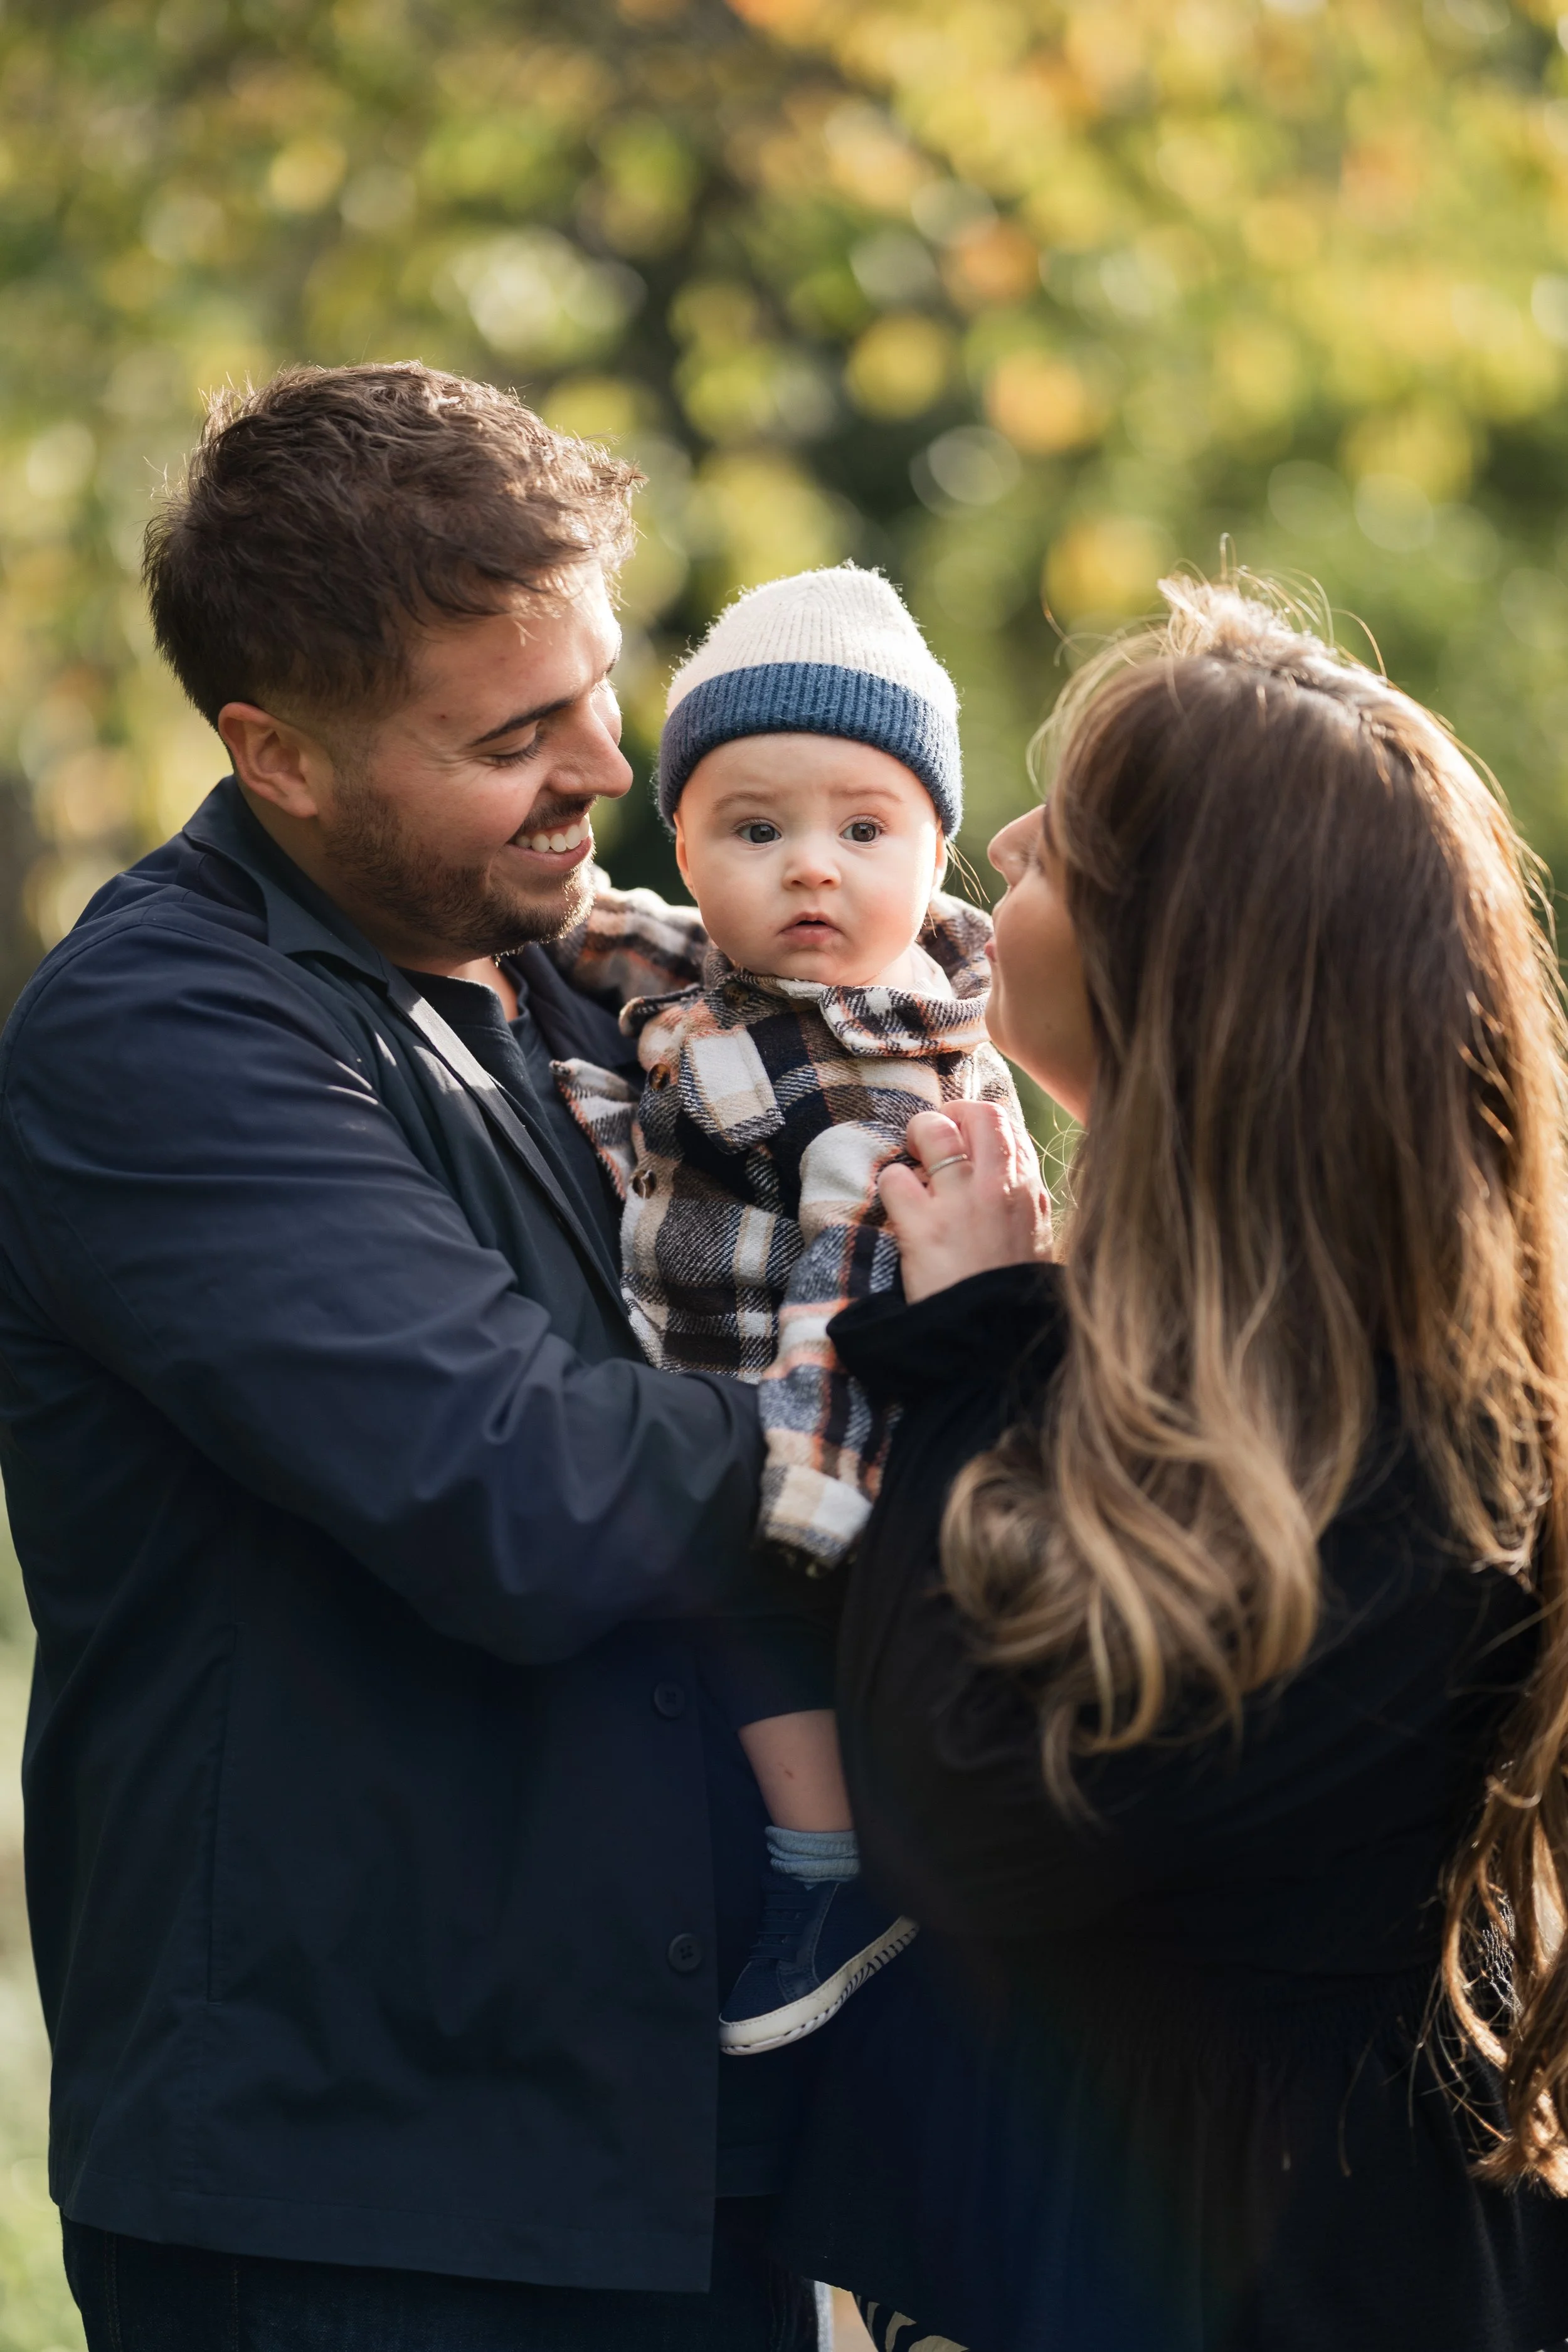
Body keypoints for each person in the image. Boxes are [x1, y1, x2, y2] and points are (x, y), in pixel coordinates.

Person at [0, 362, 825, 2349]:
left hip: (670, 2135)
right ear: (274, 754)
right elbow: (523, 1489)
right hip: (361, 2194)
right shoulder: (159, 1040)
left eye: (596, 689)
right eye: (512, 735)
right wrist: (908, 1426)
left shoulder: (581, 968)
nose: (607, 770)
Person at [771, 580, 1568, 2350]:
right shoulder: (1242, 1353)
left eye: (1060, 851)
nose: (997, 842)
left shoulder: (1396, 1439)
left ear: (1180, 970)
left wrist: (975, 1341)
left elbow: (967, 1817)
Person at [544, 566, 1031, 2057]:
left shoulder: (912, 1059)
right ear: (686, 845)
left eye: (863, 830)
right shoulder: (709, 969)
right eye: (755, 832)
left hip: (831, 1421)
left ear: (936, 848)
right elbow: (606, 934)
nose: (811, 870)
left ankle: (827, 1879)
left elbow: (839, 1290)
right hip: (706, 1371)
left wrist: (806, 1488)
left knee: (769, 1635)